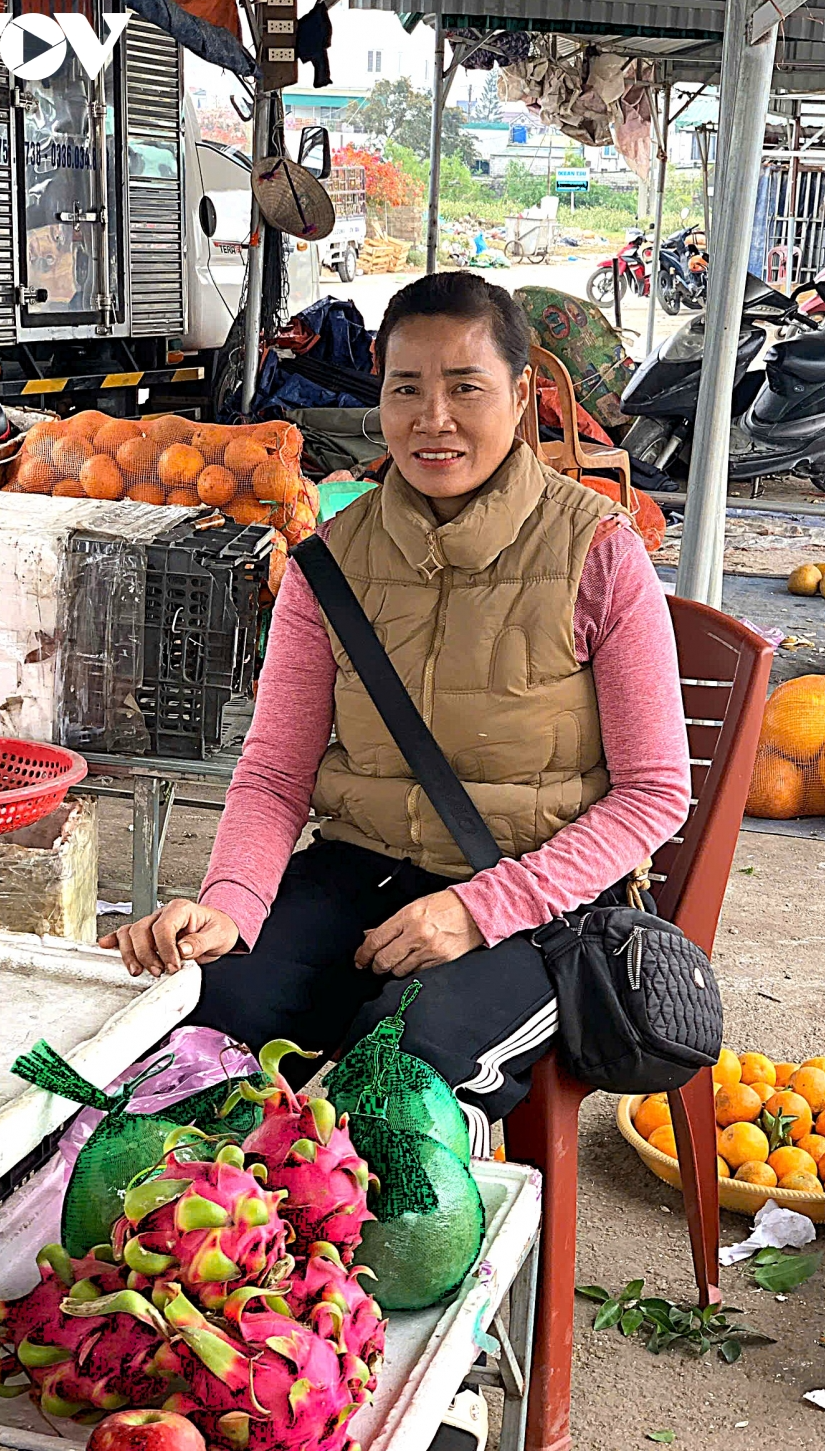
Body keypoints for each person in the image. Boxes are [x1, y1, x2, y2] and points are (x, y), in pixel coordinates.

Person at [100, 272, 691, 1156]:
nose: (432, 419)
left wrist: (479, 910)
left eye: (466, 388)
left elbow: (654, 793)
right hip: (360, 870)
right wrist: (231, 907)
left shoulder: (599, 551)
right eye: (406, 389)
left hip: (535, 900)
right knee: (197, 1029)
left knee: (401, 1084)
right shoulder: (331, 561)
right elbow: (274, 772)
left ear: (522, 394)